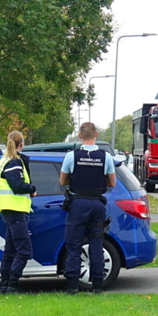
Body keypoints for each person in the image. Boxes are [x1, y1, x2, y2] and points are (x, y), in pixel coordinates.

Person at [59, 122, 116, 294]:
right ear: (96, 134)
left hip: (78, 204)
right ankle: (98, 286)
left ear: (80, 136)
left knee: (74, 244)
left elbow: (62, 181)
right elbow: (112, 182)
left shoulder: (72, 156)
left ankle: (73, 286)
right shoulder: (105, 157)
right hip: (97, 204)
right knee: (97, 243)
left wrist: (77, 181)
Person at [0, 131, 37, 293]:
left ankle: (5, 285)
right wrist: (32, 188)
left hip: (8, 210)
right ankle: (12, 284)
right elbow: (17, 185)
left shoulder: (4, 160)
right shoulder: (14, 162)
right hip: (15, 210)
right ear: (21, 144)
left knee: (10, 250)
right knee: (24, 250)